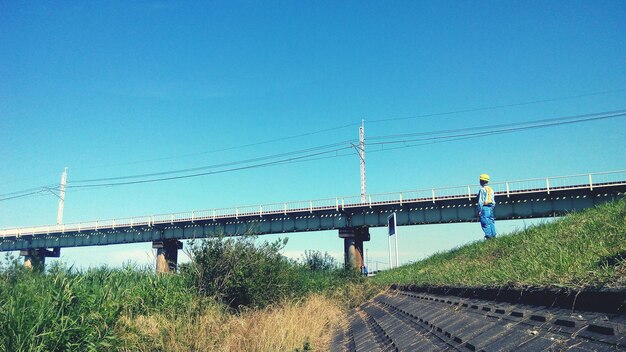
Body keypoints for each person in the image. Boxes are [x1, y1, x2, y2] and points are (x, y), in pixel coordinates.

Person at [477, 173, 496, 239]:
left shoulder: (482, 189)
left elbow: (480, 201)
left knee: (485, 222)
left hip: (484, 207)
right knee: (491, 221)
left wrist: (479, 210)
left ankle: (488, 236)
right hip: (490, 207)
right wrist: (492, 207)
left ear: (481, 181)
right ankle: (493, 235)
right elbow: (493, 200)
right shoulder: (491, 189)